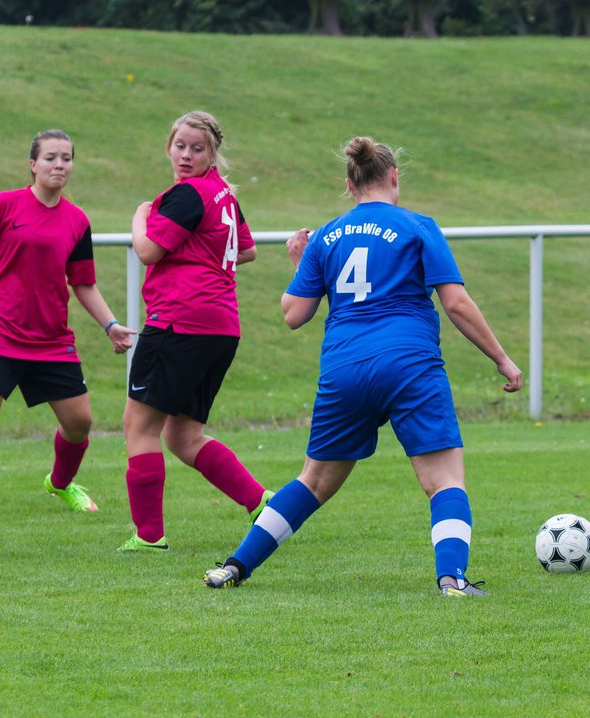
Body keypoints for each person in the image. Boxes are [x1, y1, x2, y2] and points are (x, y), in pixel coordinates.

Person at [202, 135, 523, 596]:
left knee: (312, 482)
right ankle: (452, 579)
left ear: (348, 185)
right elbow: (456, 303)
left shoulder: (327, 235)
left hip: (344, 369)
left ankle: (235, 567)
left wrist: (299, 264)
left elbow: (294, 315)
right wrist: (502, 358)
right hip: (408, 363)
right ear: (394, 178)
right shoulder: (418, 226)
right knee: (444, 481)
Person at [0, 129, 134, 518]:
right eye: (51, 157)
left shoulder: (77, 221)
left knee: (80, 423)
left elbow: (84, 284)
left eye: (67, 158)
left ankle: (59, 484)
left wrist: (111, 325)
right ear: (33, 164)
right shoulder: (2, 206)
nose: (60, 165)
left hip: (52, 340)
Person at [119, 110, 269, 552]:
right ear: (168, 146)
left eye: (197, 148)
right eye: (180, 145)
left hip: (179, 322)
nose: (186, 155)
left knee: (138, 427)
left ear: (213, 153)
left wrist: (139, 216)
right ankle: (261, 502)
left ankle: (148, 538)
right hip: (221, 327)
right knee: (183, 436)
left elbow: (147, 251)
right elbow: (247, 251)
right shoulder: (222, 193)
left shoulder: (186, 196)